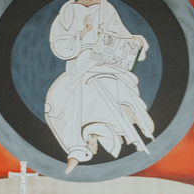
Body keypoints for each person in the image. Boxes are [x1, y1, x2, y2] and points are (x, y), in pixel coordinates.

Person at [44, 0, 155, 174]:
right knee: (57, 101)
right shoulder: (66, 12)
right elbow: (59, 46)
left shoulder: (106, 8)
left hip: (107, 61)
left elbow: (122, 35)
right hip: (79, 65)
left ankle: (97, 133)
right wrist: (81, 35)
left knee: (109, 88)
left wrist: (135, 41)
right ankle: (78, 148)